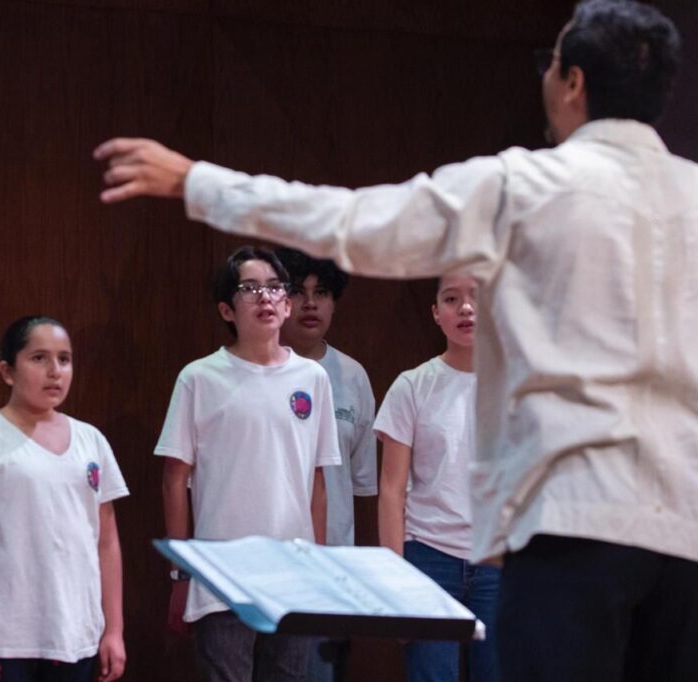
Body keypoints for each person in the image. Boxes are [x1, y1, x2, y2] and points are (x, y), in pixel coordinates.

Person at [94, 2, 695, 678]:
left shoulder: (525, 185)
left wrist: (197, 181)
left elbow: (356, 221)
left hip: (571, 525)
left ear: (574, 81)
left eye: (549, 66)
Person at [156, 246, 341, 681]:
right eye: (250, 288)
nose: (265, 297)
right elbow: (174, 479)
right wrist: (181, 574)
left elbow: (316, 482)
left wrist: (318, 567)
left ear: (288, 304)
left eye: (275, 288)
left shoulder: (313, 378)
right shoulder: (199, 378)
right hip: (221, 575)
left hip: (292, 576)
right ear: (227, 309)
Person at [0, 316, 128, 682]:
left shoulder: (91, 440)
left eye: (64, 359)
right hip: (4, 638)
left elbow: (106, 541)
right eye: (39, 358)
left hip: (75, 633)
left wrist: (114, 630)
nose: (55, 371)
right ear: (7, 371)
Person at [375, 273, 498, 682]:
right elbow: (391, 490)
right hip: (428, 557)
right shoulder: (412, 386)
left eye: (477, 297)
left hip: (498, 560)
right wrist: (394, 579)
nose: (466, 308)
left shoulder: (516, 387)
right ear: (435, 313)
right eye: (451, 299)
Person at [273, 247, 376, 682]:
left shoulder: (354, 377)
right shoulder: (256, 372)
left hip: (331, 569)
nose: (311, 303)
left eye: (323, 293)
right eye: (299, 291)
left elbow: (362, 488)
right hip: (267, 559)